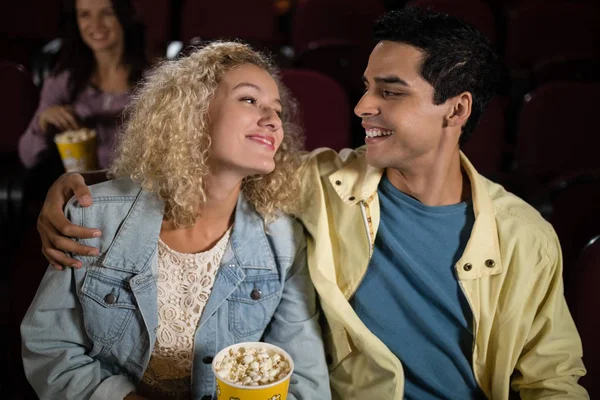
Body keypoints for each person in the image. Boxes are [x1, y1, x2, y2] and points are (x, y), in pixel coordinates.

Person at [33, 7, 589, 400]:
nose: (363, 105)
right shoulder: (324, 182)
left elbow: (553, 382)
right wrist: (84, 185)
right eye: (367, 86)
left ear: (456, 109)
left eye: (390, 91)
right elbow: (200, 165)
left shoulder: (526, 237)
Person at [21, 41, 330, 400]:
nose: (272, 119)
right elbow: (50, 349)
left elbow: (305, 383)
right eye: (249, 100)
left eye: (276, 110)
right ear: (193, 111)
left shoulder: (284, 241)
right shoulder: (93, 215)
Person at [18, 0, 148, 170]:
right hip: (83, 188)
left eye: (107, 13)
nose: (96, 24)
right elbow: (27, 158)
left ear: (124, 16)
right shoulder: (63, 80)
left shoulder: (154, 78)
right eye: (85, 15)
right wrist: (42, 122)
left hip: (139, 187)